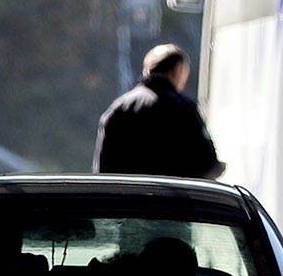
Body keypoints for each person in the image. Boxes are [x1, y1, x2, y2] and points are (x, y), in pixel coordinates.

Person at [92, 44, 226, 179]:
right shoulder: (184, 109)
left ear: (147, 70)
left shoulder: (117, 110)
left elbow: (102, 174)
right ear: (178, 70)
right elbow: (209, 165)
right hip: (172, 193)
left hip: (127, 193)